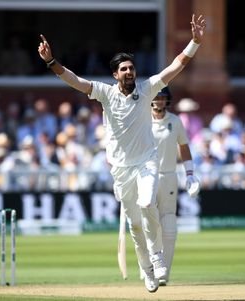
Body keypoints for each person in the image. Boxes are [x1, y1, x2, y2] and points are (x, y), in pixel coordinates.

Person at [38, 14, 205, 293]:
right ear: (115, 74)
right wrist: (51, 62)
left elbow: (177, 65)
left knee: (146, 201)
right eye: (124, 69)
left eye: (132, 68)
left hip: (147, 162)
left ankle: (157, 256)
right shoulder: (105, 93)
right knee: (135, 227)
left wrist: (195, 42)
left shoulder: (148, 88)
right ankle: (148, 270)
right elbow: (76, 81)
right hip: (121, 169)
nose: (129, 72)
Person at [150, 87, 200, 286]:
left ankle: (165, 273)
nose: (160, 101)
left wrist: (190, 174)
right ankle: (149, 269)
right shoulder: (142, 121)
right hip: (147, 177)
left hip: (170, 176)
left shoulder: (175, 121)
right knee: (149, 224)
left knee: (169, 226)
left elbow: (184, 147)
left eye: (163, 98)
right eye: (156, 98)